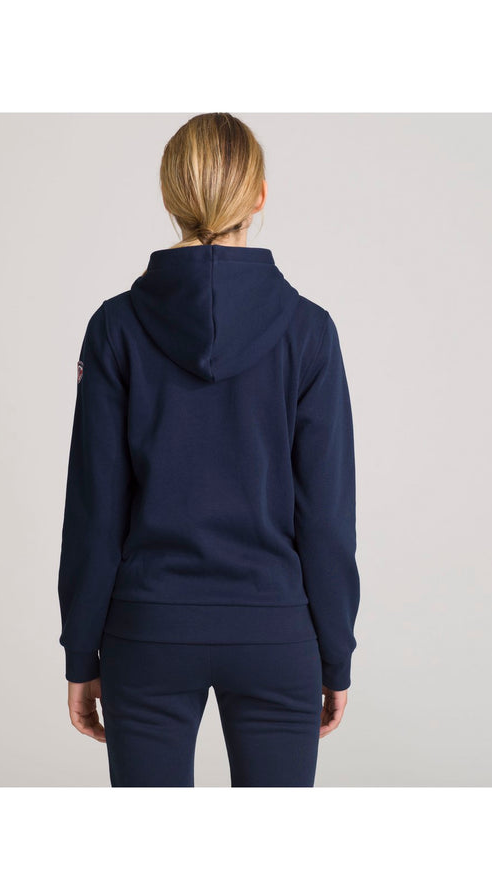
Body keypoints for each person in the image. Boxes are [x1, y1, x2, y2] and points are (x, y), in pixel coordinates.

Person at [57, 112, 361, 787]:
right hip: (276, 631)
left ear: (171, 197)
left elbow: (95, 511)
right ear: (259, 195)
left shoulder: (115, 328)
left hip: (148, 631)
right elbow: (326, 517)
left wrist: (81, 651)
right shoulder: (309, 332)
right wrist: (335, 654)